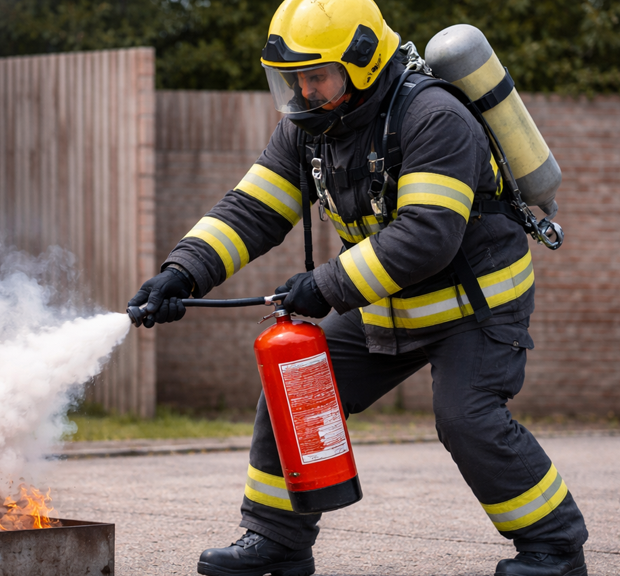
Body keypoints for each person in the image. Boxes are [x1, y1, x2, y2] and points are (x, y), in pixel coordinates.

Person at [126, 1, 589, 575]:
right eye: (290, 80)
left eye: (314, 76)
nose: (301, 92)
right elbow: (252, 209)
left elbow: (426, 235)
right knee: (293, 387)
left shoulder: (434, 116)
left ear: (363, 61)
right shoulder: (313, 126)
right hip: (389, 302)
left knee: (466, 416)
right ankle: (277, 542)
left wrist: (325, 285)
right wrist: (183, 270)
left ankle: (555, 548)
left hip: (476, 303)